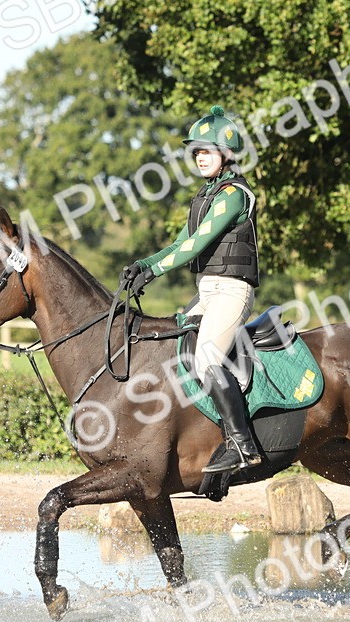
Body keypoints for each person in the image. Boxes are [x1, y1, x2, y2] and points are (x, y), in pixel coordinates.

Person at [121, 105, 262, 473]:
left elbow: (196, 246)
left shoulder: (233, 194)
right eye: (196, 151)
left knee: (208, 359)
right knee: (173, 348)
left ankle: (243, 445)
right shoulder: (207, 195)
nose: (200, 157)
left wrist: (154, 273)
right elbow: (179, 243)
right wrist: (145, 264)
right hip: (207, 291)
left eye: (207, 150)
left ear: (226, 154)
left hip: (231, 290)